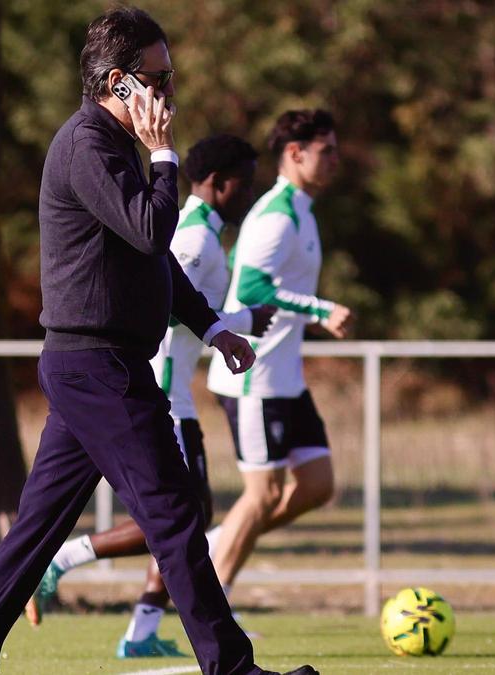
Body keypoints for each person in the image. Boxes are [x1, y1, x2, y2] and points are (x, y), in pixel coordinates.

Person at [0, 8, 316, 675]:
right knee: (175, 514)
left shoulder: (112, 145)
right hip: (98, 367)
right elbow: (151, 229)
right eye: (159, 79)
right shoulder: (88, 144)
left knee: (34, 539)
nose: (169, 93)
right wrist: (164, 156)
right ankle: (234, 670)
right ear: (120, 83)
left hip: (97, 366)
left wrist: (214, 326)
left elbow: (152, 259)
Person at [27, 134, 275, 659]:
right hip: (157, 391)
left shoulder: (206, 232)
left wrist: (224, 326)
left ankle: (141, 630)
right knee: (179, 516)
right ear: (218, 183)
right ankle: (66, 562)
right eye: (245, 183)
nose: (250, 194)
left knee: (185, 515)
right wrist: (243, 320)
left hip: (173, 391)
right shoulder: (194, 236)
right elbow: (165, 308)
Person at [205, 109, 353, 607]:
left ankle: (220, 540)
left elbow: (242, 267)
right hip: (254, 377)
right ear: (295, 153)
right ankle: (214, 610)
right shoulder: (276, 215)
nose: (335, 159)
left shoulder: (301, 211)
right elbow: (250, 288)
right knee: (263, 495)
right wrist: (320, 309)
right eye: (326, 151)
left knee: (317, 485)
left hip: (286, 377)